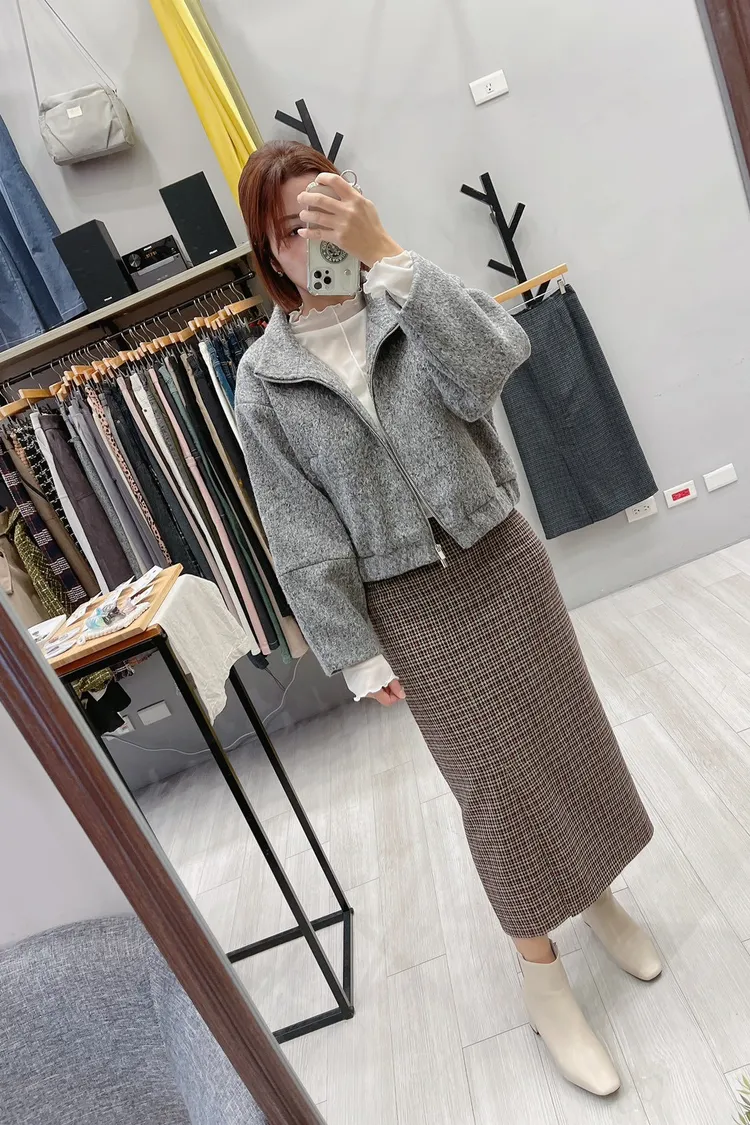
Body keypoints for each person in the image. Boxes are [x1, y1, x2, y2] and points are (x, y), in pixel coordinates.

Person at [235, 140, 658, 1097]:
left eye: (327, 209)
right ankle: (541, 972)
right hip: (409, 607)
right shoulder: (264, 379)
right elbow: (297, 526)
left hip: (500, 557)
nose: (315, 238)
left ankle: (597, 891)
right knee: (495, 791)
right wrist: (354, 650)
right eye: (294, 226)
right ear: (269, 248)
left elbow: (495, 363)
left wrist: (389, 253)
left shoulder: (405, 295)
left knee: (565, 738)